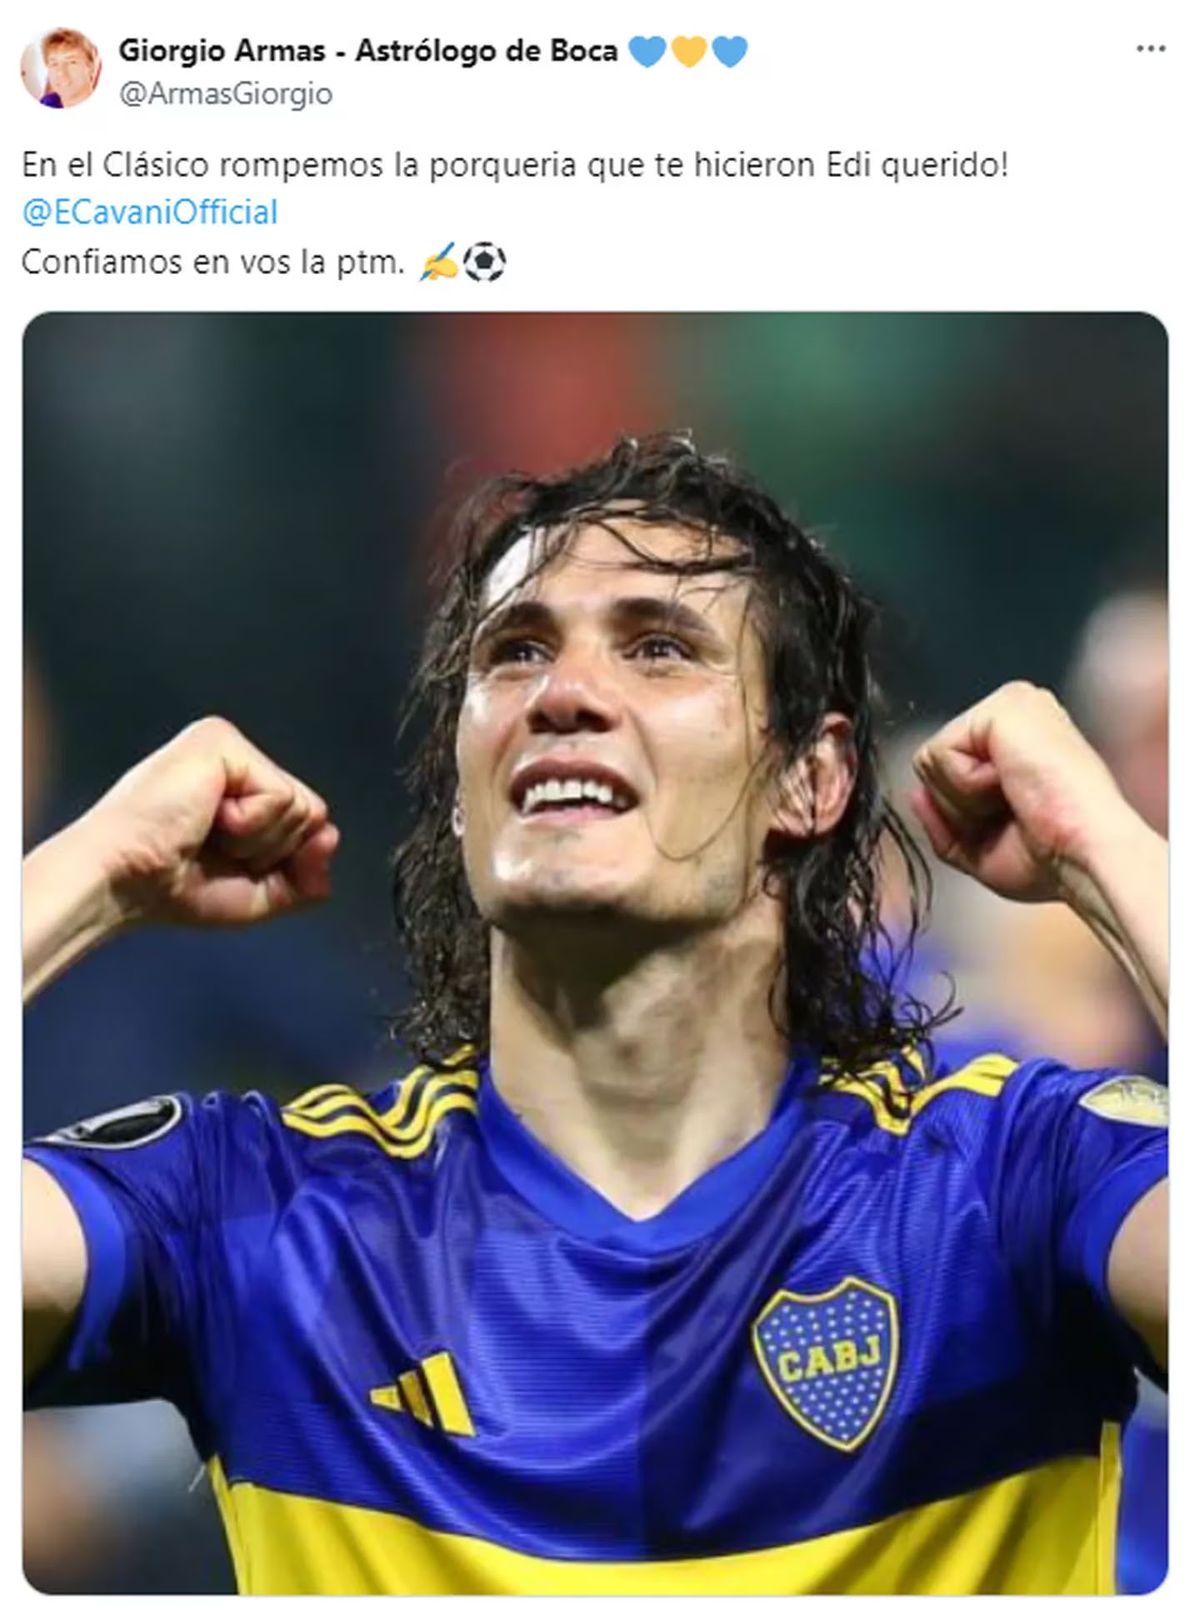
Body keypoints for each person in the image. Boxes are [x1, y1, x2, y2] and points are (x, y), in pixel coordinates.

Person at [23, 435, 1167, 1594]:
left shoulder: (1005, 1182)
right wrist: (81, 876)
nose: (561, 696)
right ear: (461, 788)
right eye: (515, 653)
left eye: (659, 647)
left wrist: (1111, 850)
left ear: (811, 778)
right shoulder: (263, 1209)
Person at [36, 28, 99, 108]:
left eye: (72, 62)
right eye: (54, 64)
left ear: (91, 67)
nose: (60, 72)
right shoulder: (46, 103)